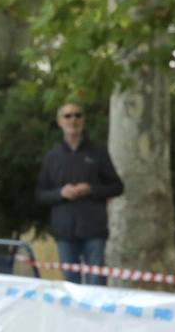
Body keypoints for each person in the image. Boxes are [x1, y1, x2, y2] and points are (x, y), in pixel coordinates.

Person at [36, 101, 124, 285]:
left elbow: (117, 186)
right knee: (70, 286)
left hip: (94, 230)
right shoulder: (52, 157)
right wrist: (61, 193)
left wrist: (91, 189)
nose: (73, 120)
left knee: (96, 284)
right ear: (60, 121)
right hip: (64, 233)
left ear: (83, 120)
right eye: (68, 116)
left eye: (78, 115)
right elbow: (41, 194)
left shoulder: (98, 152)